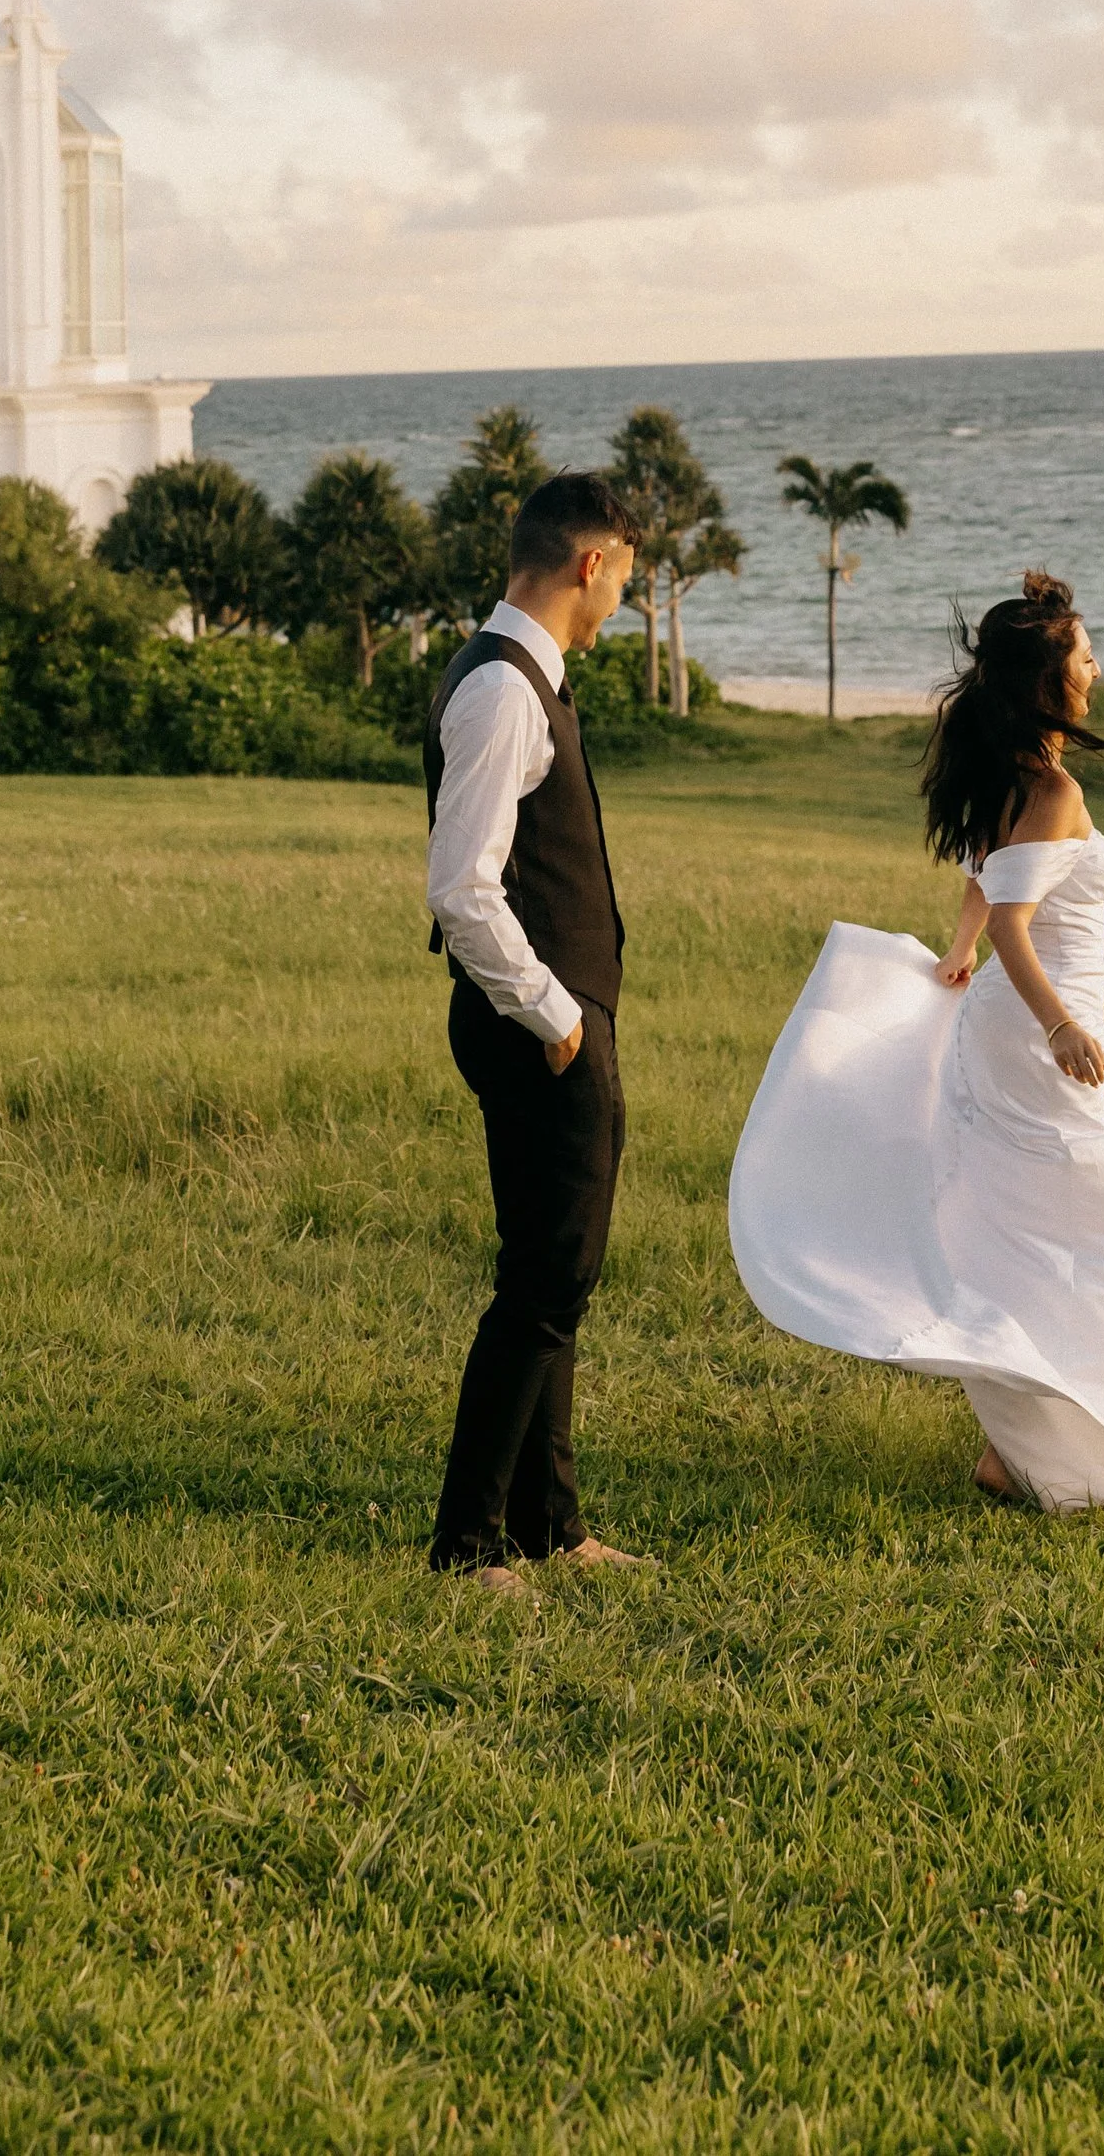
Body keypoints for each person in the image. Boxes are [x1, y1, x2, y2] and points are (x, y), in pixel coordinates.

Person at [727, 570, 1104, 1510]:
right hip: (1034, 1030)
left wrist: (961, 951)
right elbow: (1013, 917)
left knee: (1026, 1224)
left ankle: (1018, 1441)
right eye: (1086, 655)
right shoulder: (1052, 790)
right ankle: (1054, 1420)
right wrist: (1058, 1025)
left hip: (1012, 1025)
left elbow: (987, 885)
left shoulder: (1006, 777)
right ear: (1052, 683)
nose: (1097, 667)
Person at [423, 470, 649, 1589]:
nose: (621, 606)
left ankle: (547, 1526)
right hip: (533, 1024)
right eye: (624, 581)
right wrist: (558, 1017)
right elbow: (461, 889)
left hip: (538, 1019)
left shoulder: (519, 674)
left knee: (550, 1277)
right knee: (547, 1283)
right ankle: (467, 1548)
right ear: (588, 564)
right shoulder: (505, 691)